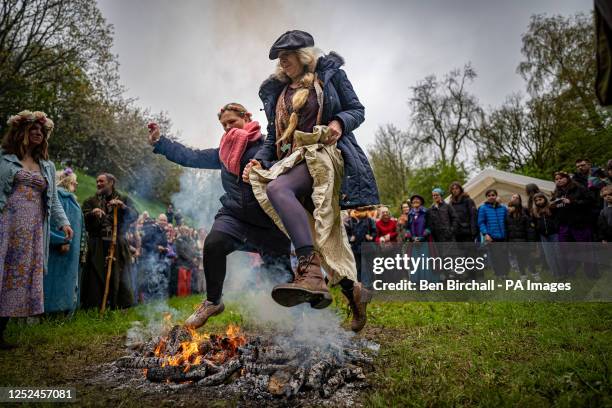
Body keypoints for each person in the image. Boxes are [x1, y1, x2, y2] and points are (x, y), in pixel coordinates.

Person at [243, 31, 379, 332]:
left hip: (323, 155)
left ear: (304, 54)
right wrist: (260, 161)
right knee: (321, 237)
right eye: (279, 56)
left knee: (277, 188)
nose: (282, 60)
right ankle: (355, 293)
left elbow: (357, 110)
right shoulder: (278, 92)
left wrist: (338, 122)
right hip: (289, 162)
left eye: (287, 53)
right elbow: (272, 137)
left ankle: (310, 273)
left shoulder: (330, 76)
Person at [148, 102, 292, 329]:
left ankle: (302, 324)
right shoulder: (224, 152)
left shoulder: (268, 145)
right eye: (224, 125)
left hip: (269, 221)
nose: (227, 128)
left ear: (247, 117)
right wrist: (161, 143)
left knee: (282, 278)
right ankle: (213, 301)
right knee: (214, 243)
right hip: (234, 215)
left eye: (232, 122)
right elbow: (192, 156)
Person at [0, 111, 73, 349]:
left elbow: (53, 201)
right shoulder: (5, 159)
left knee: (16, 278)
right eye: (33, 129)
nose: (38, 133)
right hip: (6, 226)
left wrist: (64, 223)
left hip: (32, 230)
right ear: (20, 132)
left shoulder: (47, 166)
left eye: (41, 131)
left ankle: (1, 332)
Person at [81, 173, 138, 309]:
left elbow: (135, 215)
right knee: (96, 275)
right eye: (97, 181)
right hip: (97, 243)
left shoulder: (123, 198)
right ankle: (95, 307)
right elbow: (82, 217)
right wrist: (92, 213)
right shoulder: (91, 201)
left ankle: (118, 306)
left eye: (101, 181)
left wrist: (123, 207)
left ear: (111, 182)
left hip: (117, 242)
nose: (98, 184)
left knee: (118, 274)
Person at [44, 168, 85, 314]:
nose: (77, 185)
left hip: (69, 248)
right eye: (75, 182)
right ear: (68, 182)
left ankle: (58, 309)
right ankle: (52, 309)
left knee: (64, 278)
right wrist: (63, 241)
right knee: (55, 278)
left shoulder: (68, 199)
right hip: (62, 247)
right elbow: (57, 221)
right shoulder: (63, 198)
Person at [506, 193, 538, 281]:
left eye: (511, 207)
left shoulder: (524, 217)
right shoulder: (507, 218)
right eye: (509, 207)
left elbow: (530, 231)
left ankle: (535, 273)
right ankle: (523, 275)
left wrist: (532, 245)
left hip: (524, 242)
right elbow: (507, 232)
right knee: (519, 260)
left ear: (516, 208)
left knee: (529, 259)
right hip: (514, 244)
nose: (509, 208)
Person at [531, 192, 564, 277]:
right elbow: (534, 224)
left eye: (540, 199)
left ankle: (563, 272)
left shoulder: (552, 208)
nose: (539, 202)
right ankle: (556, 274)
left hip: (554, 234)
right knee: (549, 256)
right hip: (544, 237)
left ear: (544, 199)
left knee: (558, 253)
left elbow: (558, 219)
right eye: (536, 200)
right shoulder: (535, 212)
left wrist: (556, 227)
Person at [478, 189, 509, 277]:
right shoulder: (483, 208)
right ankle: (499, 275)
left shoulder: (503, 208)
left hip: (504, 237)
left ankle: (505, 274)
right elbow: (481, 222)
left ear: (496, 196)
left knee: (505, 257)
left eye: (493, 195)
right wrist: (485, 234)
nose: (491, 197)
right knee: (496, 257)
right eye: (489, 195)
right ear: (486, 197)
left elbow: (508, 221)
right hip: (491, 237)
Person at [345, 207, 377, 284]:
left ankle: (372, 284)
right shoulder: (350, 220)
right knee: (358, 267)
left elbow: (374, 231)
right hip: (355, 247)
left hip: (368, 247)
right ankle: (360, 285)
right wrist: (350, 238)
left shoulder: (369, 220)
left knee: (370, 267)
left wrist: (371, 237)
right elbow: (346, 234)